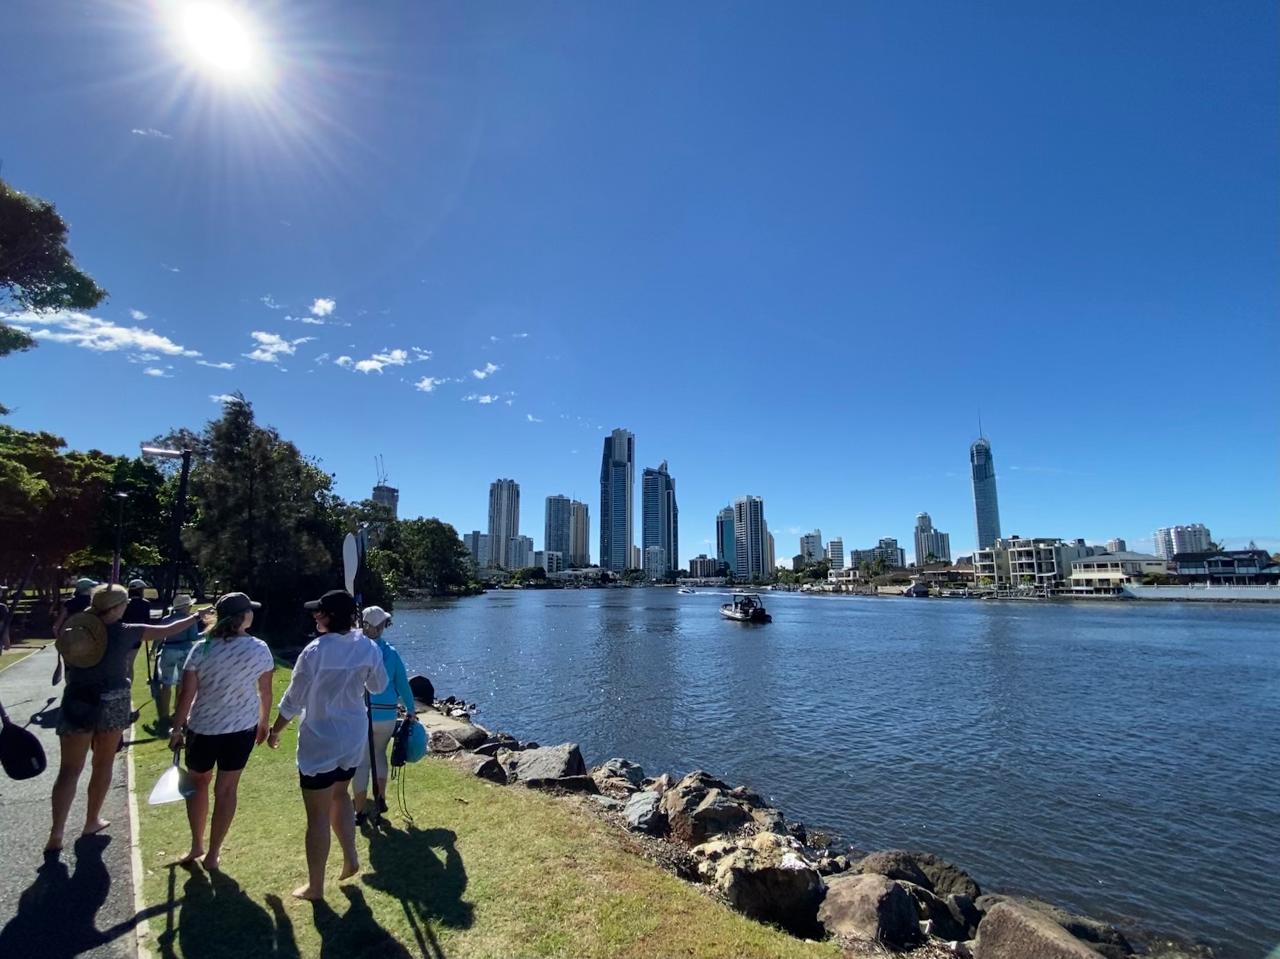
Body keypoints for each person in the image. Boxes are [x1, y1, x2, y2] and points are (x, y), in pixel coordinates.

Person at [46, 583, 199, 854]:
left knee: (69, 770)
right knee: (102, 763)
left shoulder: (75, 629)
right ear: (116, 607)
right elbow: (165, 630)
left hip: (76, 699)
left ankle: (56, 832)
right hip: (112, 701)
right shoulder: (125, 631)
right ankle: (91, 820)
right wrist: (195, 617)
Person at [267, 589, 387, 901]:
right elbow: (378, 686)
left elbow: (293, 700)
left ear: (328, 616)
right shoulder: (368, 647)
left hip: (320, 739)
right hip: (352, 735)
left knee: (317, 815)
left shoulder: (314, 651)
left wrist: (275, 731)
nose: (314, 616)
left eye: (318, 612)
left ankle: (315, 886)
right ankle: (350, 856)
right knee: (340, 795)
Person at [168, 592, 274, 869]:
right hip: (240, 730)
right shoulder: (259, 649)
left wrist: (176, 729)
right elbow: (265, 692)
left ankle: (197, 846)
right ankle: (213, 853)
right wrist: (264, 723)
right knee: (226, 789)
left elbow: (186, 695)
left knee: (197, 783)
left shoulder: (201, 648)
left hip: (202, 728)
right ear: (243, 617)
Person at [353, 606, 417, 826]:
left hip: (362, 713)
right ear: (381, 627)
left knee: (361, 763)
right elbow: (402, 684)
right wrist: (411, 710)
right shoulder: (390, 652)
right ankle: (380, 799)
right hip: (387, 713)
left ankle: (359, 811)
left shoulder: (355, 649)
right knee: (379, 754)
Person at [155, 594, 200, 728]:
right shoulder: (190, 620)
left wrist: (154, 650)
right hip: (185, 651)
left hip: (168, 650)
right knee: (182, 683)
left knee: (166, 683)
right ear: (186, 607)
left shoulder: (166, 619)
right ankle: (178, 711)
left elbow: (159, 636)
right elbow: (193, 636)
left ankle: (164, 715)